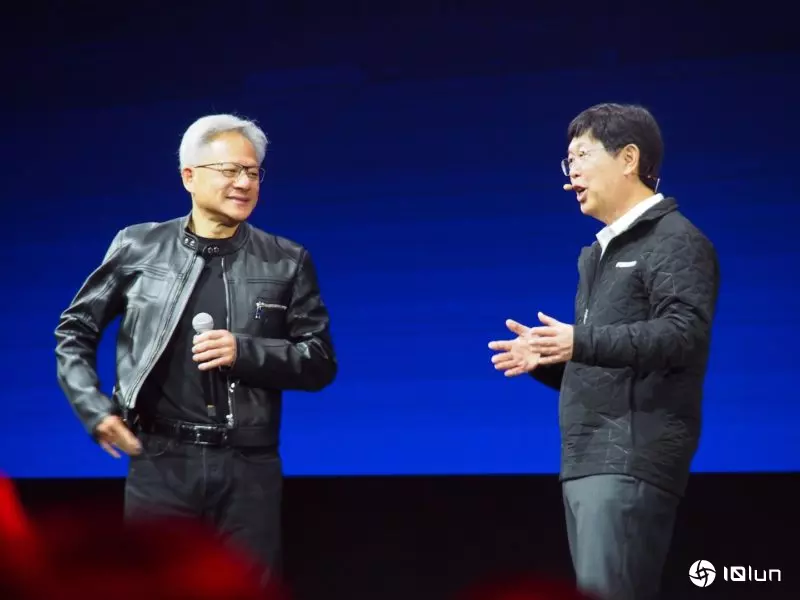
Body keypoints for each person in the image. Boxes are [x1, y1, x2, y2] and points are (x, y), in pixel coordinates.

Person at [54, 113, 337, 585]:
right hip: (159, 460)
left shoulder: (286, 260)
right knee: (151, 586)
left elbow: (320, 362)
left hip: (249, 466)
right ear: (189, 176)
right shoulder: (138, 246)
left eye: (252, 172)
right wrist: (93, 408)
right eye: (230, 170)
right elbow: (76, 329)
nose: (244, 182)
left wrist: (245, 352)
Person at [488, 103, 720, 599]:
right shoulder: (597, 254)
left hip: (628, 457)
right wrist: (551, 357)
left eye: (582, 155)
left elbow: (683, 336)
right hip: (588, 459)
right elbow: (610, 363)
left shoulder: (676, 240)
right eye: (567, 160)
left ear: (628, 158)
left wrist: (580, 341)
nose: (570, 172)